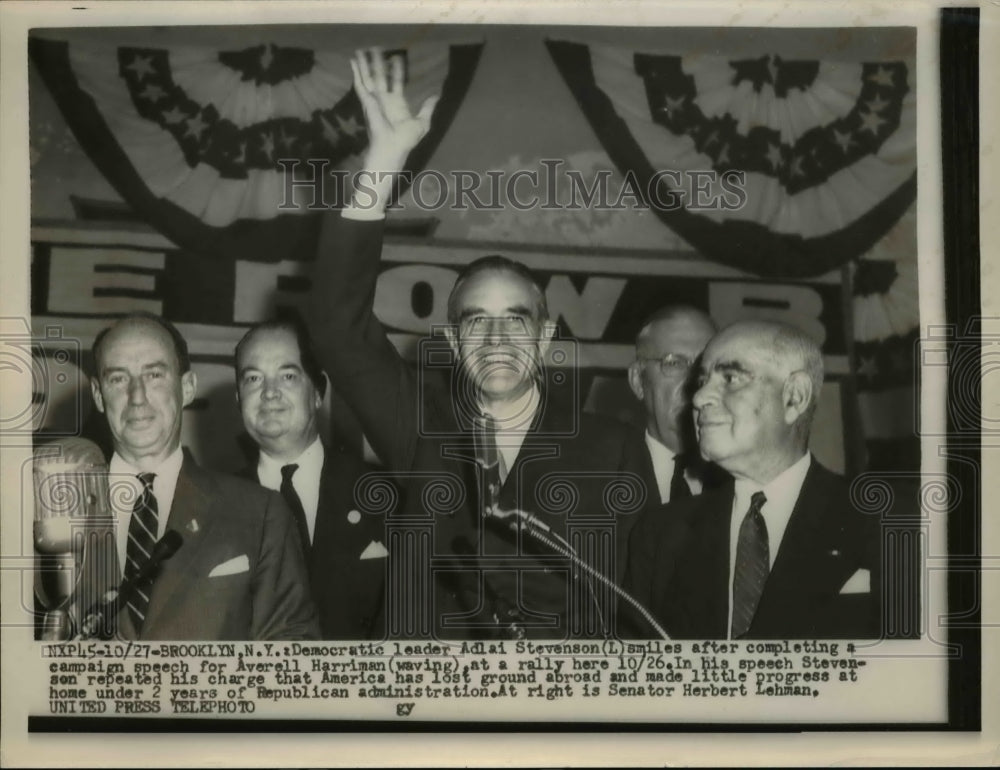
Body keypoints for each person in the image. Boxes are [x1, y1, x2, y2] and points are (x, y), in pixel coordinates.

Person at [307, 49, 655, 639]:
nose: (495, 339)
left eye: (515, 321)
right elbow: (337, 326)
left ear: (545, 338)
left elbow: (635, 603)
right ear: (451, 341)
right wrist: (384, 161)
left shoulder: (611, 447)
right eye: (476, 322)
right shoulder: (422, 426)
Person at [625, 320, 892, 639]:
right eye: (703, 380)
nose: (698, 398)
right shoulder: (660, 536)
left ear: (794, 397)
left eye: (731, 378)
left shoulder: (886, 523)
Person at [88, 312, 319, 640]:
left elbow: (292, 652)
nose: (137, 397)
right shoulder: (50, 508)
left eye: (154, 375)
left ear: (187, 388)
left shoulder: (260, 514)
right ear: (98, 395)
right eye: (118, 379)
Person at [235, 316, 385, 639]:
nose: (269, 393)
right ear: (238, 399)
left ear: (318, 392)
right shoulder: (216, 507)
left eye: (288, 376)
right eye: (253, 379)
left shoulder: (386, 494)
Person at [628, 305, 722, 503]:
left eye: (705, 366)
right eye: (674, 363)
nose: (693, 382)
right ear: (637, 381)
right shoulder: (602, 478)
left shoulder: (743, 481)